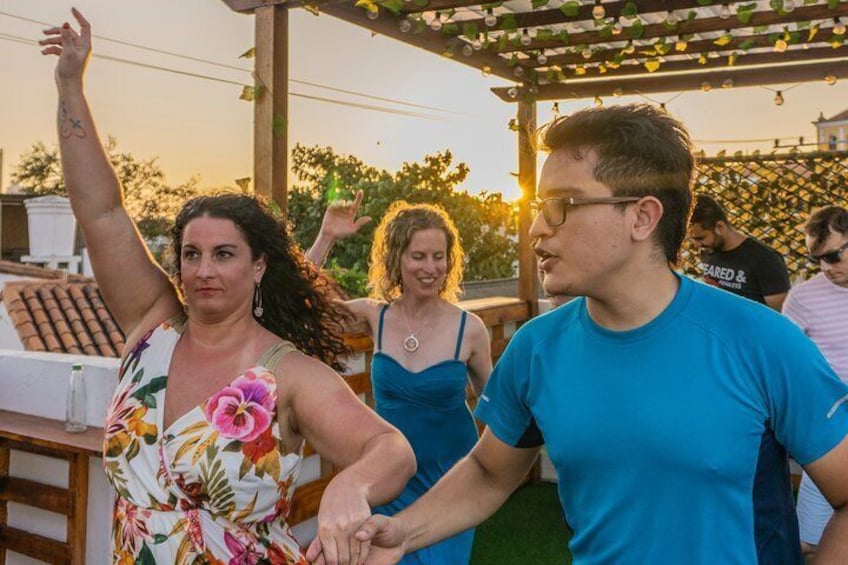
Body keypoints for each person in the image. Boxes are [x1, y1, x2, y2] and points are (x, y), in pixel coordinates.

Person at [337, 104, 848, 565]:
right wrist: (401, 532)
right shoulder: (536, 349)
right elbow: (490, 471)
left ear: (643, 217)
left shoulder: (761, 341)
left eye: (561, 204)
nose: (537, 226)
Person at [40, 11, 415, 565]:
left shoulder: (285, 374)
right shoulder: (152, 326)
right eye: (191, 254)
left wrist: (349, 485)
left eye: (224, 254)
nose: (203, 270)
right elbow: (100, 210)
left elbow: (393, 451)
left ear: (259, 266)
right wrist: (70, 82)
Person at [305, 197, 493, 564]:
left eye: (439, 256)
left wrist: (483, 475)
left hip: (449, 485)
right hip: (388, 479)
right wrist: (326, 237)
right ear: (397, 259)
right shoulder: (375, 315)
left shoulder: (470, 330)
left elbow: (498, 409)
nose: (430, 267)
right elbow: (304, 307)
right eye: (418, 256)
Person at [782, 205, 848, 561]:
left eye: (835, 256)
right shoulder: (803, 298)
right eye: (818, 259)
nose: (826, 268)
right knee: (808, 539)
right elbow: (785, 365)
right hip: (833, 431)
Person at [689, 194, 791, 310]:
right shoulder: (709, 249)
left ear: (720, 227)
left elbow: (780, 313)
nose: (697, 245)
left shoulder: (765, 258)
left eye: (700, 238)